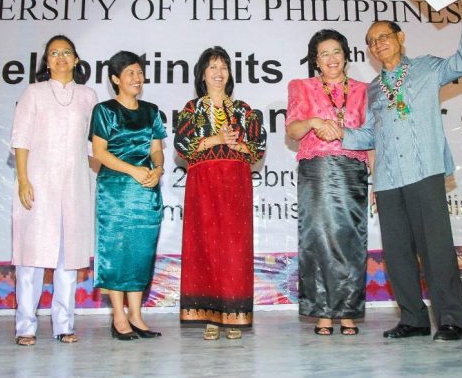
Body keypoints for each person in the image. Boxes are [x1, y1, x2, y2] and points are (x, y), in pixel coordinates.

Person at [340, 0, 462, 341]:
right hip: (388, 180)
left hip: (425, 172)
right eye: (372, 42)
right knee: (398, 254)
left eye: (383, 37)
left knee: (435, 248)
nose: (378, 45)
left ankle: (450, 319)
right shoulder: (373, 89)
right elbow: (369, 134)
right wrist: (338, 132)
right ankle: (414, 319)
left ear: (401, 38)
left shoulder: (427, 68)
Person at [10, 34, 98, 346]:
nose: (60, 57)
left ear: (76, 59)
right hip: (38, 184)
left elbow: (94, 146)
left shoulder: (88, 96)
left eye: (66, 52)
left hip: (74, 186)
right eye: (53, 53)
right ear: (46, 62)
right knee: (31, 259)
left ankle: (63, 324)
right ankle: (26, 326)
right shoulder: (33, 93)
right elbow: (20, 138)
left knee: (68, 258)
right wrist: (23, 179)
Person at [174, 46, 266, 340]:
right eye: (212, 67)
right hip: (204, 186)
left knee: (233, 249)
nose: (218, 72)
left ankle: (233, 315)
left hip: (235, 186)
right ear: (202, 74)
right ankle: (211, 316)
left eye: (223, 66)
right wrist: (215, 138)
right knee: (207, 246)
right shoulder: (192, 109)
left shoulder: (244, 110)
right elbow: (182, 145)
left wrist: (241, 147)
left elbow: (258, 148)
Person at [286, 29, 371, 336]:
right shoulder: (301, 87)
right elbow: (293, 132)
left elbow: (371, 137)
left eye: (337, 51)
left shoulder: (364, 90)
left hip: (353, 170)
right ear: (316, 61)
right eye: (325, 54)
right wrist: (312, 122)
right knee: (318, 239)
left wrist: (377, 179)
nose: (332, 59)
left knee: (351, 240)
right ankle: (323, 313)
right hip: (317, 170)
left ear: (346, 56)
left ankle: (348, 312)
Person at [90, 51, 167, 340]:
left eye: (139, 72)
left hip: (147, 192)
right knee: (117, 253)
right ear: (115, 79)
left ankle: (136, 315)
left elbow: (156, 147)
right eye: (130, 73)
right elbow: (99, 153)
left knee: (140, 253)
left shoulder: (151, 110)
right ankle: (118, 316)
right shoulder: (104, 110)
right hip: (115, 192)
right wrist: (133, 171)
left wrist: (157, 168)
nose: (137, 78)